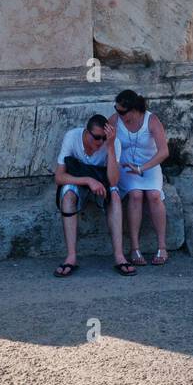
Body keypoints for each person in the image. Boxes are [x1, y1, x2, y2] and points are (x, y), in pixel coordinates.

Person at [53, 114, 136, 278]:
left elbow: (113, 181)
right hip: (79, 180)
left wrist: (110, 147)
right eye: (97, 137)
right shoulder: (72, 137)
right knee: (67, 194)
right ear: (86, 132)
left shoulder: (112, 143)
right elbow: (59, 177)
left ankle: (119, 257)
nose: (100, 142)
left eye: (104, 138)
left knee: (115, 195)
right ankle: (71, 257)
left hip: (102, 184)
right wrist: (88, 180)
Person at [110, 89, 170, 266]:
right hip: (126, 168)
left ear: (134, 109)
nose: (119, 114)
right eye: (117, 110)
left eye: (122, 111)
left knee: (154, 195)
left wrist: (142, 167)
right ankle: (135, 248)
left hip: (149, 166)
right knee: (135, 194)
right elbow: (106, 145)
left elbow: (164, 151)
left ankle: (162, 246)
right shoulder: (114, 120)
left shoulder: (151, 120)